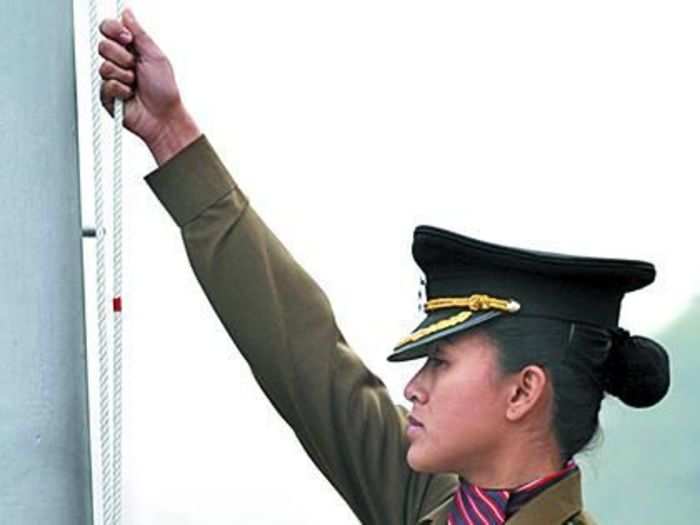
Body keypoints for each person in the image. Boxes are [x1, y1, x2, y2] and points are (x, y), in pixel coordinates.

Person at [97, 9, 671, 524]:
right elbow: (302, 350)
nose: (414, 387)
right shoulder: (428, 500)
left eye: (441, 363)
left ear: (522, 392)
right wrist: (169, 130)